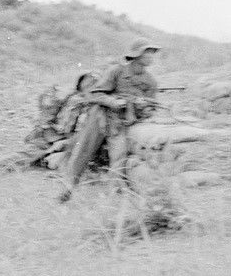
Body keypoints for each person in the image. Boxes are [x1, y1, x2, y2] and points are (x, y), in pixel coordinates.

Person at [58, 38, 161, 203]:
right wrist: (114, 102)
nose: (151, 56)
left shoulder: (150, 82)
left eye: (152, 53)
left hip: (121, 124)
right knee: (83, 150)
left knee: (119, 159)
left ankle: (112, 198)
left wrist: (143, 108)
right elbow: (95, 93)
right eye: (147, 52)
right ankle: (68, 187)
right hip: (100, 116)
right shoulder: (117, 71)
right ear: (137, 55)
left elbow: (151, 110)